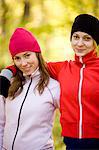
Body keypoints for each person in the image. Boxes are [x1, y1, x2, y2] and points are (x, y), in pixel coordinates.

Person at [0, 13, 99, 149]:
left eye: (87, 38)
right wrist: (7, 73)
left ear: (95, 42)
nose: (80, 43)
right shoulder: (62, 68)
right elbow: (30, 64)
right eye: (76, 37)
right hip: (71, 144)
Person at [0, 28, 60, 150]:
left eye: (27, 55)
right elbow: (1, 122)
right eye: (17, 58)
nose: (23, 63)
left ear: (37, 54)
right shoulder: (8, 84)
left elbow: (72, 119)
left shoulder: (53, 87)